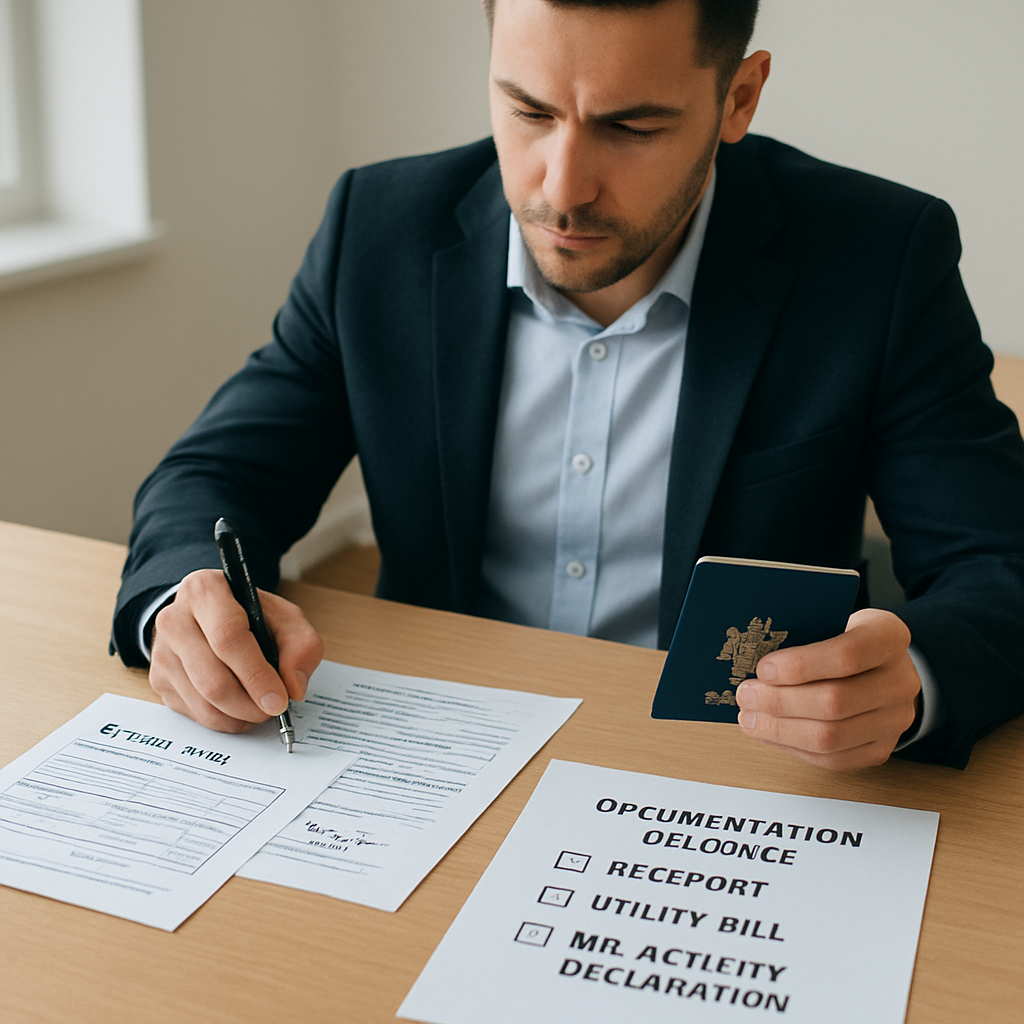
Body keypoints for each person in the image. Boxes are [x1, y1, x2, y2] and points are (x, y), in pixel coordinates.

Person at [111, 0, 1024, 771]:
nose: (563, 186)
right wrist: (186, 598)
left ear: (737, 97)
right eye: (529, 111)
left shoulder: (879, 259)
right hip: (431, 754)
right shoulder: (378, 229)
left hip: (729, 771)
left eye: (632, 127)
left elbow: (999, 563)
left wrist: (917, 683)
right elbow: (217, 474)